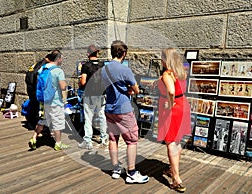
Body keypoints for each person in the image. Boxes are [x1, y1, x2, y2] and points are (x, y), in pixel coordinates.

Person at [101, 40, 149, 184]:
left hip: (109, 108)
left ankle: (116, 169)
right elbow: (136, 90)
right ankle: (132, 173)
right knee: (132, 140)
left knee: (113, 138)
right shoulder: (125, 69)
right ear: (124, 53)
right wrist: (128, 89)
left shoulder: (104, 69)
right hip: (123, 109)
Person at [157, 48, 191, 192]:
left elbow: (170, 91)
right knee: (177, 140)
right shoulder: (181, 72)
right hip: (183, 105)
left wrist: (169, 103)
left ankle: (176, 179)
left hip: (173, 109)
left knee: (170, 141)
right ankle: (172, 169)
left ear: (165, 59)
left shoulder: (167, 73)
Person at [29, 50, 69, 151]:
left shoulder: (43, 68)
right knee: (57, 122)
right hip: (55, 101)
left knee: (42, 120)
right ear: (58, 59)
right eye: (61, 58)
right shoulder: (58, 71)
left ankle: (34, 138)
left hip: (43, 100)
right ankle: (58, 143)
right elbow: (63, 86)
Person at [78, 44, 108, 150]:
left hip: (89, 95)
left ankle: (88, 141)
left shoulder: (85, 66)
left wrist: (79, 83)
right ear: (97, 53)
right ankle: (104, 139)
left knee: (88, 118)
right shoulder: (103, 64)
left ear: (88, 54)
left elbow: (83, 81)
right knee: (102, 116)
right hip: (101, 94)